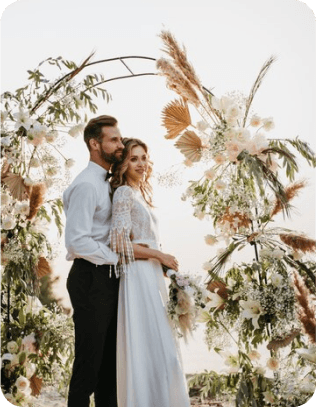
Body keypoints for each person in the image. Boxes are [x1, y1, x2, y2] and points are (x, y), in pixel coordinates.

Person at [109, 138, 191, 407]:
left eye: (144, 157)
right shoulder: (123, 193)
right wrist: (158, 255)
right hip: (138, 279)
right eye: (134, 158)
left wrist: (166, 266)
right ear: (123, 164)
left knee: (162, 349)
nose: (141, 163)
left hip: (153, 276)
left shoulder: (140, 193)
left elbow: (145, 239)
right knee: (151, 347)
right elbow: (118, 243)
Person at [63, 115, 124, 407]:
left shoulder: (107, 182)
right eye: (114, 140)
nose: (120, 145)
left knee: (108, 367)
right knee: (89, 364)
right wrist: (120, 258)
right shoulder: (87, 185)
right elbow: (77, 240)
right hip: (90, 278)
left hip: (106, 277)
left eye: (120, 139)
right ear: (94, 144)